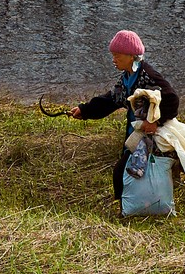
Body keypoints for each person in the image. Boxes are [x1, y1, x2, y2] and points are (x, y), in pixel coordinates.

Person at [69, 30, 178, 202]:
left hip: (151, 135)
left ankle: (124, 204)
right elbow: (111, 100)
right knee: (132, 168)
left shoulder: (148, 76)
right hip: (134, 133)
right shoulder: (127, 77)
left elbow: (171, 99)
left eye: (117, 56)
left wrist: (156, 122)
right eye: (113, 55)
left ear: (131, 56)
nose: (114, 59)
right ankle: (135, 202)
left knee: (123, 169)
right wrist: (85, 110)